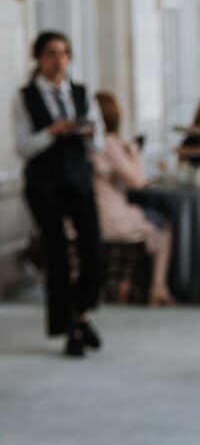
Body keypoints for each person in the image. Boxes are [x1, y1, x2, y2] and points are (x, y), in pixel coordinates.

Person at [13, 30, 105, 356]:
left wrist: (87, 134)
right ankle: (70, 330)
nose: (59, 60)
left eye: (64, 53)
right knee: (57, 254)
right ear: (39, 58)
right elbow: (22, 146)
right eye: (52, 53)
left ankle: (81, 315)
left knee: (94, 249)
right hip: (43, 183)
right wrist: (52, 132)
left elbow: (99, 141)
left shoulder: (80, 93)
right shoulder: (25, 97)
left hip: (78, 178)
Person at [92, 92, 175, 306]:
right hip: (112, 215)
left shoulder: (91, 145)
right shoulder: (108, 143)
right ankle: (157, 286)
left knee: (154, 219)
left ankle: (136, 284)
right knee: (163, 225)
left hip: (96, 213)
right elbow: (137, 180)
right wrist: (134, 153)